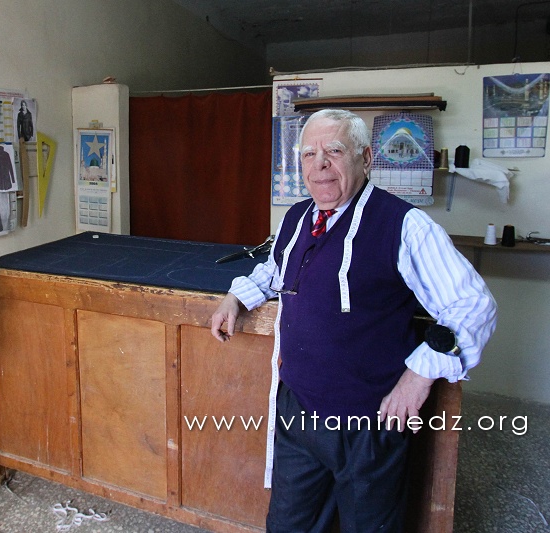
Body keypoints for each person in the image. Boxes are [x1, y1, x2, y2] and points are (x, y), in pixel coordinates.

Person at [210, 109, 496, 532]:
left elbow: (474, 304)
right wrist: (237, 296)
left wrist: (417, 378)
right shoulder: (296, 217)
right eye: (309, 154)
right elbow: (274, 270)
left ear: (365, 158)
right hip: (298, 411)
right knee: (290, 525)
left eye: (334, 151)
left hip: (368, 422)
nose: (319, 164)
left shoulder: (405, 225)